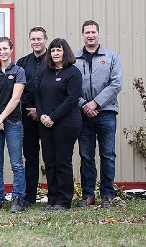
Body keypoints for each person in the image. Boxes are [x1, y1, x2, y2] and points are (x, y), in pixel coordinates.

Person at [74, 20, 122, 208]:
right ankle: (88, 195)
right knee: (86, 155)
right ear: (82, 35)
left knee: (108, 155)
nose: (90, 35)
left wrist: (96, 103)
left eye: (93, 32)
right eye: (87, 32)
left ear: (99, 34)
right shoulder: (74, 59)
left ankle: (107, 195)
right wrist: (84, 104)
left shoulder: (111, 56)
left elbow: (116, 83)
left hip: (106, 113)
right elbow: (71, 87)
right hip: (83, 113)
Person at [36, 38, 82, 211]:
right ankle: (52, 199)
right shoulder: (44, 72)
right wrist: (41, 115)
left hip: (66, 123)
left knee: (62, 160)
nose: (56, 53)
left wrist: (53, 117)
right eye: (53, 50)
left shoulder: (73, 72)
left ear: (65, 52)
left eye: (59, 50)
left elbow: (72, 100)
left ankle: (64, 200)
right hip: (45, 123)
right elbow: (38, 96)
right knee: (49, 161)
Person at [0, 37, 26, 213]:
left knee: (16, 163)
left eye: (5, 49)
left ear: (11, 50)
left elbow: (15, 98)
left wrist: (1, 118)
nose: (2, 52)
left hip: (13, 122)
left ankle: (18, 198)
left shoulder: (18, 71)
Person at [16, 27, 48, 206]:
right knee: (30, 157)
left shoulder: (52, 60)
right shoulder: (22, 62)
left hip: (49, 117)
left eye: (39, 38)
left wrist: (41, 110)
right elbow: (19, 89)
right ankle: (29, 197)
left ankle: (56, 196)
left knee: (51, 157)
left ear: (45, 39)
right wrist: (30, 109)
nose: (36, 42)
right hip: (27, 116)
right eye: (33, 39)